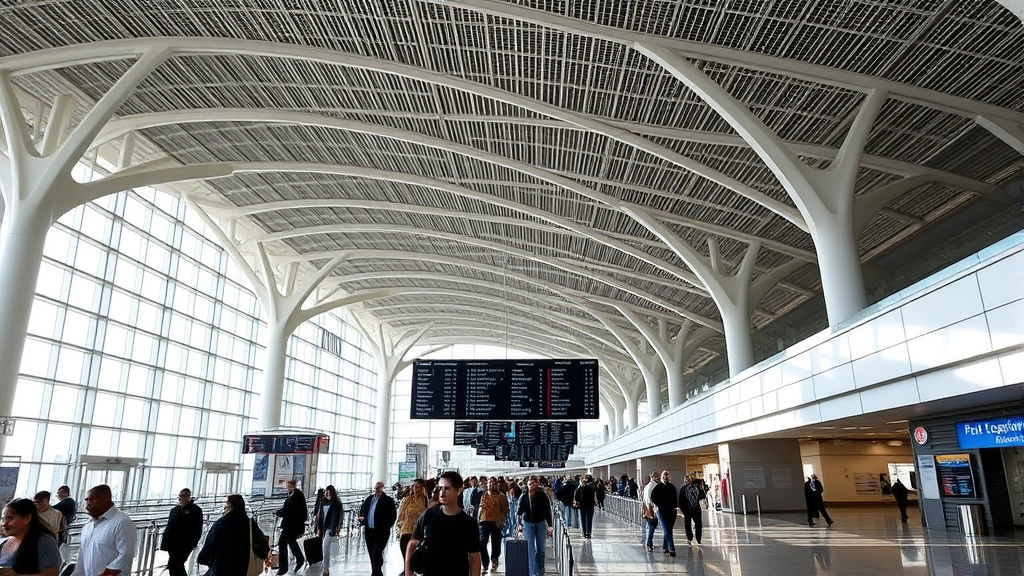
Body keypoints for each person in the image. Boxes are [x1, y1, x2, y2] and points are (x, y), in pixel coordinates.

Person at [404, 471, 481, 576]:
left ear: (459, 491)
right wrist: (408, 573)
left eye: (447, 488)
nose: (442, 492)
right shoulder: (428, 515)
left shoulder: (468, 523)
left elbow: (474, 557)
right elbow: (413, 542)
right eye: (440, 488)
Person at [71, 485, 137, 576]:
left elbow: (125, 556)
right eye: (86, 500)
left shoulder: (122, 522)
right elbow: (81, 561)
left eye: (92, 499)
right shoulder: (88, 527)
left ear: (106, 498)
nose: (88, 504)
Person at [198, 494, 269, 576]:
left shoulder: (221, 523)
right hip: (244, 568)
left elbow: (208, 547)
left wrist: (202, 558)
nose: (224, 508)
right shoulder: (250, 524)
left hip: (221, 569)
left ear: (230, 505)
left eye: (225, 505)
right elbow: (261, 543)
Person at [0, 498, 61, 576]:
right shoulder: (4, 543)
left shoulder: (43, 543)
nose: (4, 524)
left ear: (27, 518)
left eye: (10, 518)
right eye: (3, 519)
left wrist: (16, 575)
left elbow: (52, 574)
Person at [160, 488, 204, 576]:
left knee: (175, 565)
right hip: (172, 544)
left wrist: (192, 542)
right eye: (180, 496)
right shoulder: (174, 510)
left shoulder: (195, 510)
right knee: (175, 565)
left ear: (189, 497)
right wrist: (165, 543)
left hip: (185, 544)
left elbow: (197, 528)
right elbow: (169, 527)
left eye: (184, 495)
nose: (181, 498)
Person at [516, 476, 553, 576]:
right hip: (528, 523)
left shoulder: (542, 494)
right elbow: (519, 511)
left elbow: (547, 510)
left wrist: (550, 524)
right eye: (530, 483)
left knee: (540, 548)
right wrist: (518, 524)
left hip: (540, 523)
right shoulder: (524, 495)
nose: (532, 485)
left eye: (534, 483)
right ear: (527, 484)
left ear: (537, 484)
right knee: (530, 548)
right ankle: (533, 572)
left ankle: (540, 568)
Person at [358, 482, 396, 576]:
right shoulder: (369, 499)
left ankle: (375, 573)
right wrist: (362, 519)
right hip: (369, 531)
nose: (376, 490)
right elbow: (362, 512)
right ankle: (376, 571)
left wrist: (387, 525)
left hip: (381, 531)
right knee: (372, 553)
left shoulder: (388, 501)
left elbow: (392, 515)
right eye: (375, 488)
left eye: (378, 488)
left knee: (377, 552)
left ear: (382, 489)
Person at [396, 479, 429, 572]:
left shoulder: (425, 501)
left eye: (419, 487)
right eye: (415, 486)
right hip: (406, 531)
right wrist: (399, 529)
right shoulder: (407, 500)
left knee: (416, 558)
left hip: (419, 533)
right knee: (405, 555)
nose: (417, 489)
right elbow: (400, 515)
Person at [477, 477, 509, 573]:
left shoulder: (501, 496)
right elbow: (480, 507)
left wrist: (502, 520)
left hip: (496, 521)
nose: (491, 484)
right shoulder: (484, 495)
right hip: (484, 520)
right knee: (482, 542)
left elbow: (505, 510)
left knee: (496, 542)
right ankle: (485, 564)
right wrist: (479, 518)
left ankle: (494, 560)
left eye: (493, 483)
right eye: (490, 483)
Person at [275, 479, 307, 575]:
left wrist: (280, 513)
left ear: (293, 485)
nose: (287, 487)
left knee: (282, 542)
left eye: (289, 485)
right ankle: (300, 559)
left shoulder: (296, 496)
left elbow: (290, 510)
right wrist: (280, 512)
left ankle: (283, 567)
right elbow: (287, 508)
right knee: (291, 541)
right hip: (292, 525)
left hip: (293, 526)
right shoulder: (293, 495)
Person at [314, 485, 344, 576]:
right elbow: (318, 514)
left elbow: (339, 517)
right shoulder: (323, 501)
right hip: (323, 527)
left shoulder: (336, 504)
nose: (326, 495)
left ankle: (326, 568)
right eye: (325, 493)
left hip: (330, 527)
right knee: (324, 547)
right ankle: (325, 566)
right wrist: (318, 526)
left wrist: (337, 528)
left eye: (328, 493)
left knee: (325, 547)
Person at [649, 470, 678, 556]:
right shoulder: (658, 488)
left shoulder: (672, 487)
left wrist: (675, 507)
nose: (665, 479)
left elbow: (675, 499)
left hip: (671, 511)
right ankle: (672, 548)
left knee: (669, 529)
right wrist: (659, 505)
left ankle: (666, 546)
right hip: (662, 511)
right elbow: (653, 497)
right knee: (666, 529)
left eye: (666, 477)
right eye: (663, 477)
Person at [678, 475, 706, 546]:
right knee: (687, 524)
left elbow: (703, 495)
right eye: (686, 479)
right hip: (687, 509)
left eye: (689, 479)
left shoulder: (697, 487)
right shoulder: (683, 489)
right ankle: (689, 538)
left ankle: (698, 539)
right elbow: (680, 499)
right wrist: (681, 509)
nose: (688, 480)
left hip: (696, 509)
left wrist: (700, 487)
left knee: (698, 524)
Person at [639, 472, 658, 552]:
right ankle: (649, 544)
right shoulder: (654, 486)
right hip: (651, 509)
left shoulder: (646, 486)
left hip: (646, 509)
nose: (658, 478)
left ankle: (649, 543)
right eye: (656, 477)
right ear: (652, 477)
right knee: (651, 527)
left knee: (649, 526)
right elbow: (652, 500)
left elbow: (643, 499)